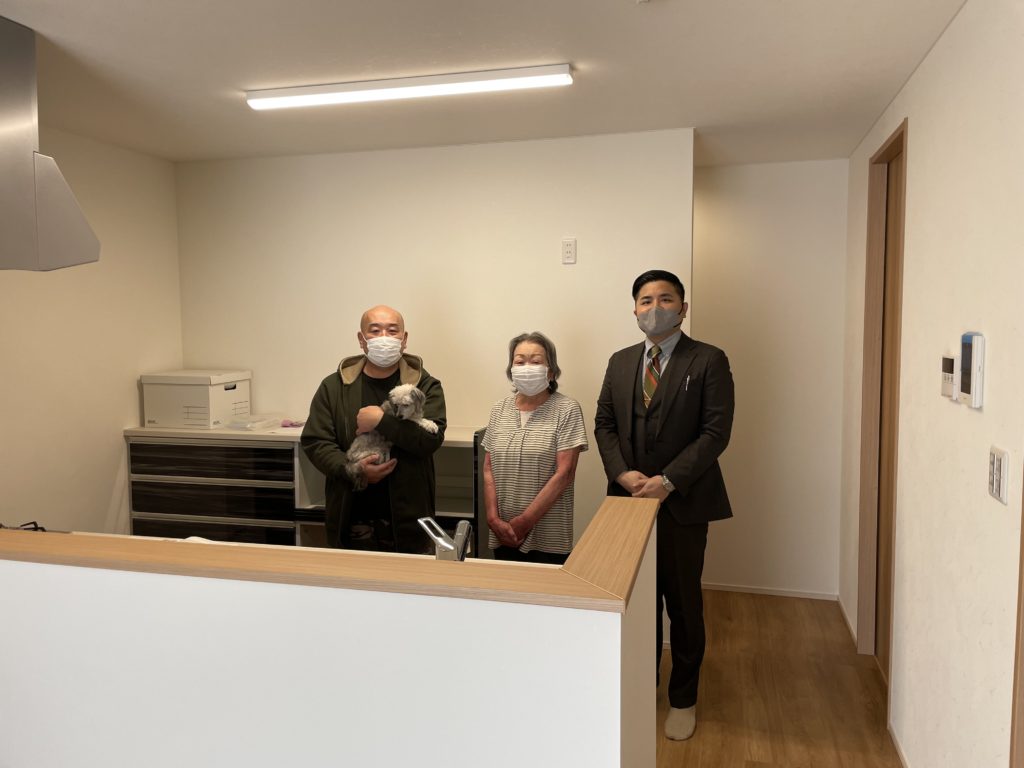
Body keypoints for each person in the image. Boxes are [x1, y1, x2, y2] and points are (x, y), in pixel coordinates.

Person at [594, 269, 734, 741]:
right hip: (627, 500)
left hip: (683, 501)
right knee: (637, 602)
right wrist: (621, 473)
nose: (655, 308)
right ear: (635, 310)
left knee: (683, 603)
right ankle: (643, 683)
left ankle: (683, 698)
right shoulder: (619, 361)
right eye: (646, 300)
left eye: (666, 299)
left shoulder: (708, 360)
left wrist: (668, 481)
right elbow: (604, 424)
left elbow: (715, 432)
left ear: (683, 308)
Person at [301, 305, 446, 553]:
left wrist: (381, 421)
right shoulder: (334, 387)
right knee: (351, 577)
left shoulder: (425, 386)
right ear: (362, 339)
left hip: (408, 519)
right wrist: (355, 471)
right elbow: (316, 442)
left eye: (392, 331)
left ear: (404, 339)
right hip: (351, 514)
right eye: (375, 331)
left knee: (408, 576)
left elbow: (429, 440)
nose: (384, 338)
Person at [483, 332, 588, 565]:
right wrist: (492, 519)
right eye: (520, 362)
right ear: (511, 369)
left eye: (536, 361)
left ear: (551, 371)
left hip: (548, 536)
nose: (527, 368)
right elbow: (489, 467)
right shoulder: (499, 409)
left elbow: (565, 473)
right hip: (501, 532)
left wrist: (524, 522)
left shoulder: (567, 409)